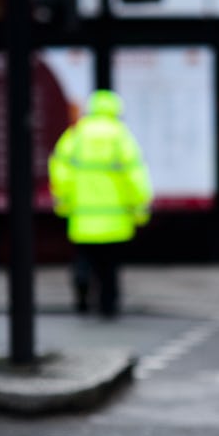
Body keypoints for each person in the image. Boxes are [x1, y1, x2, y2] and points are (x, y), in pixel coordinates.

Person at [48, 89, 152, 318]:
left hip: (82, 214)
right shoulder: (120, 137)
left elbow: (59, 169)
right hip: (115, 217)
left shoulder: (75, 135)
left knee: (84, 256)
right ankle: (108, 305)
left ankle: (82, 288)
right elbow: (135, 175)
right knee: (110, 265)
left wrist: (64, 199)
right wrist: (140, 205)